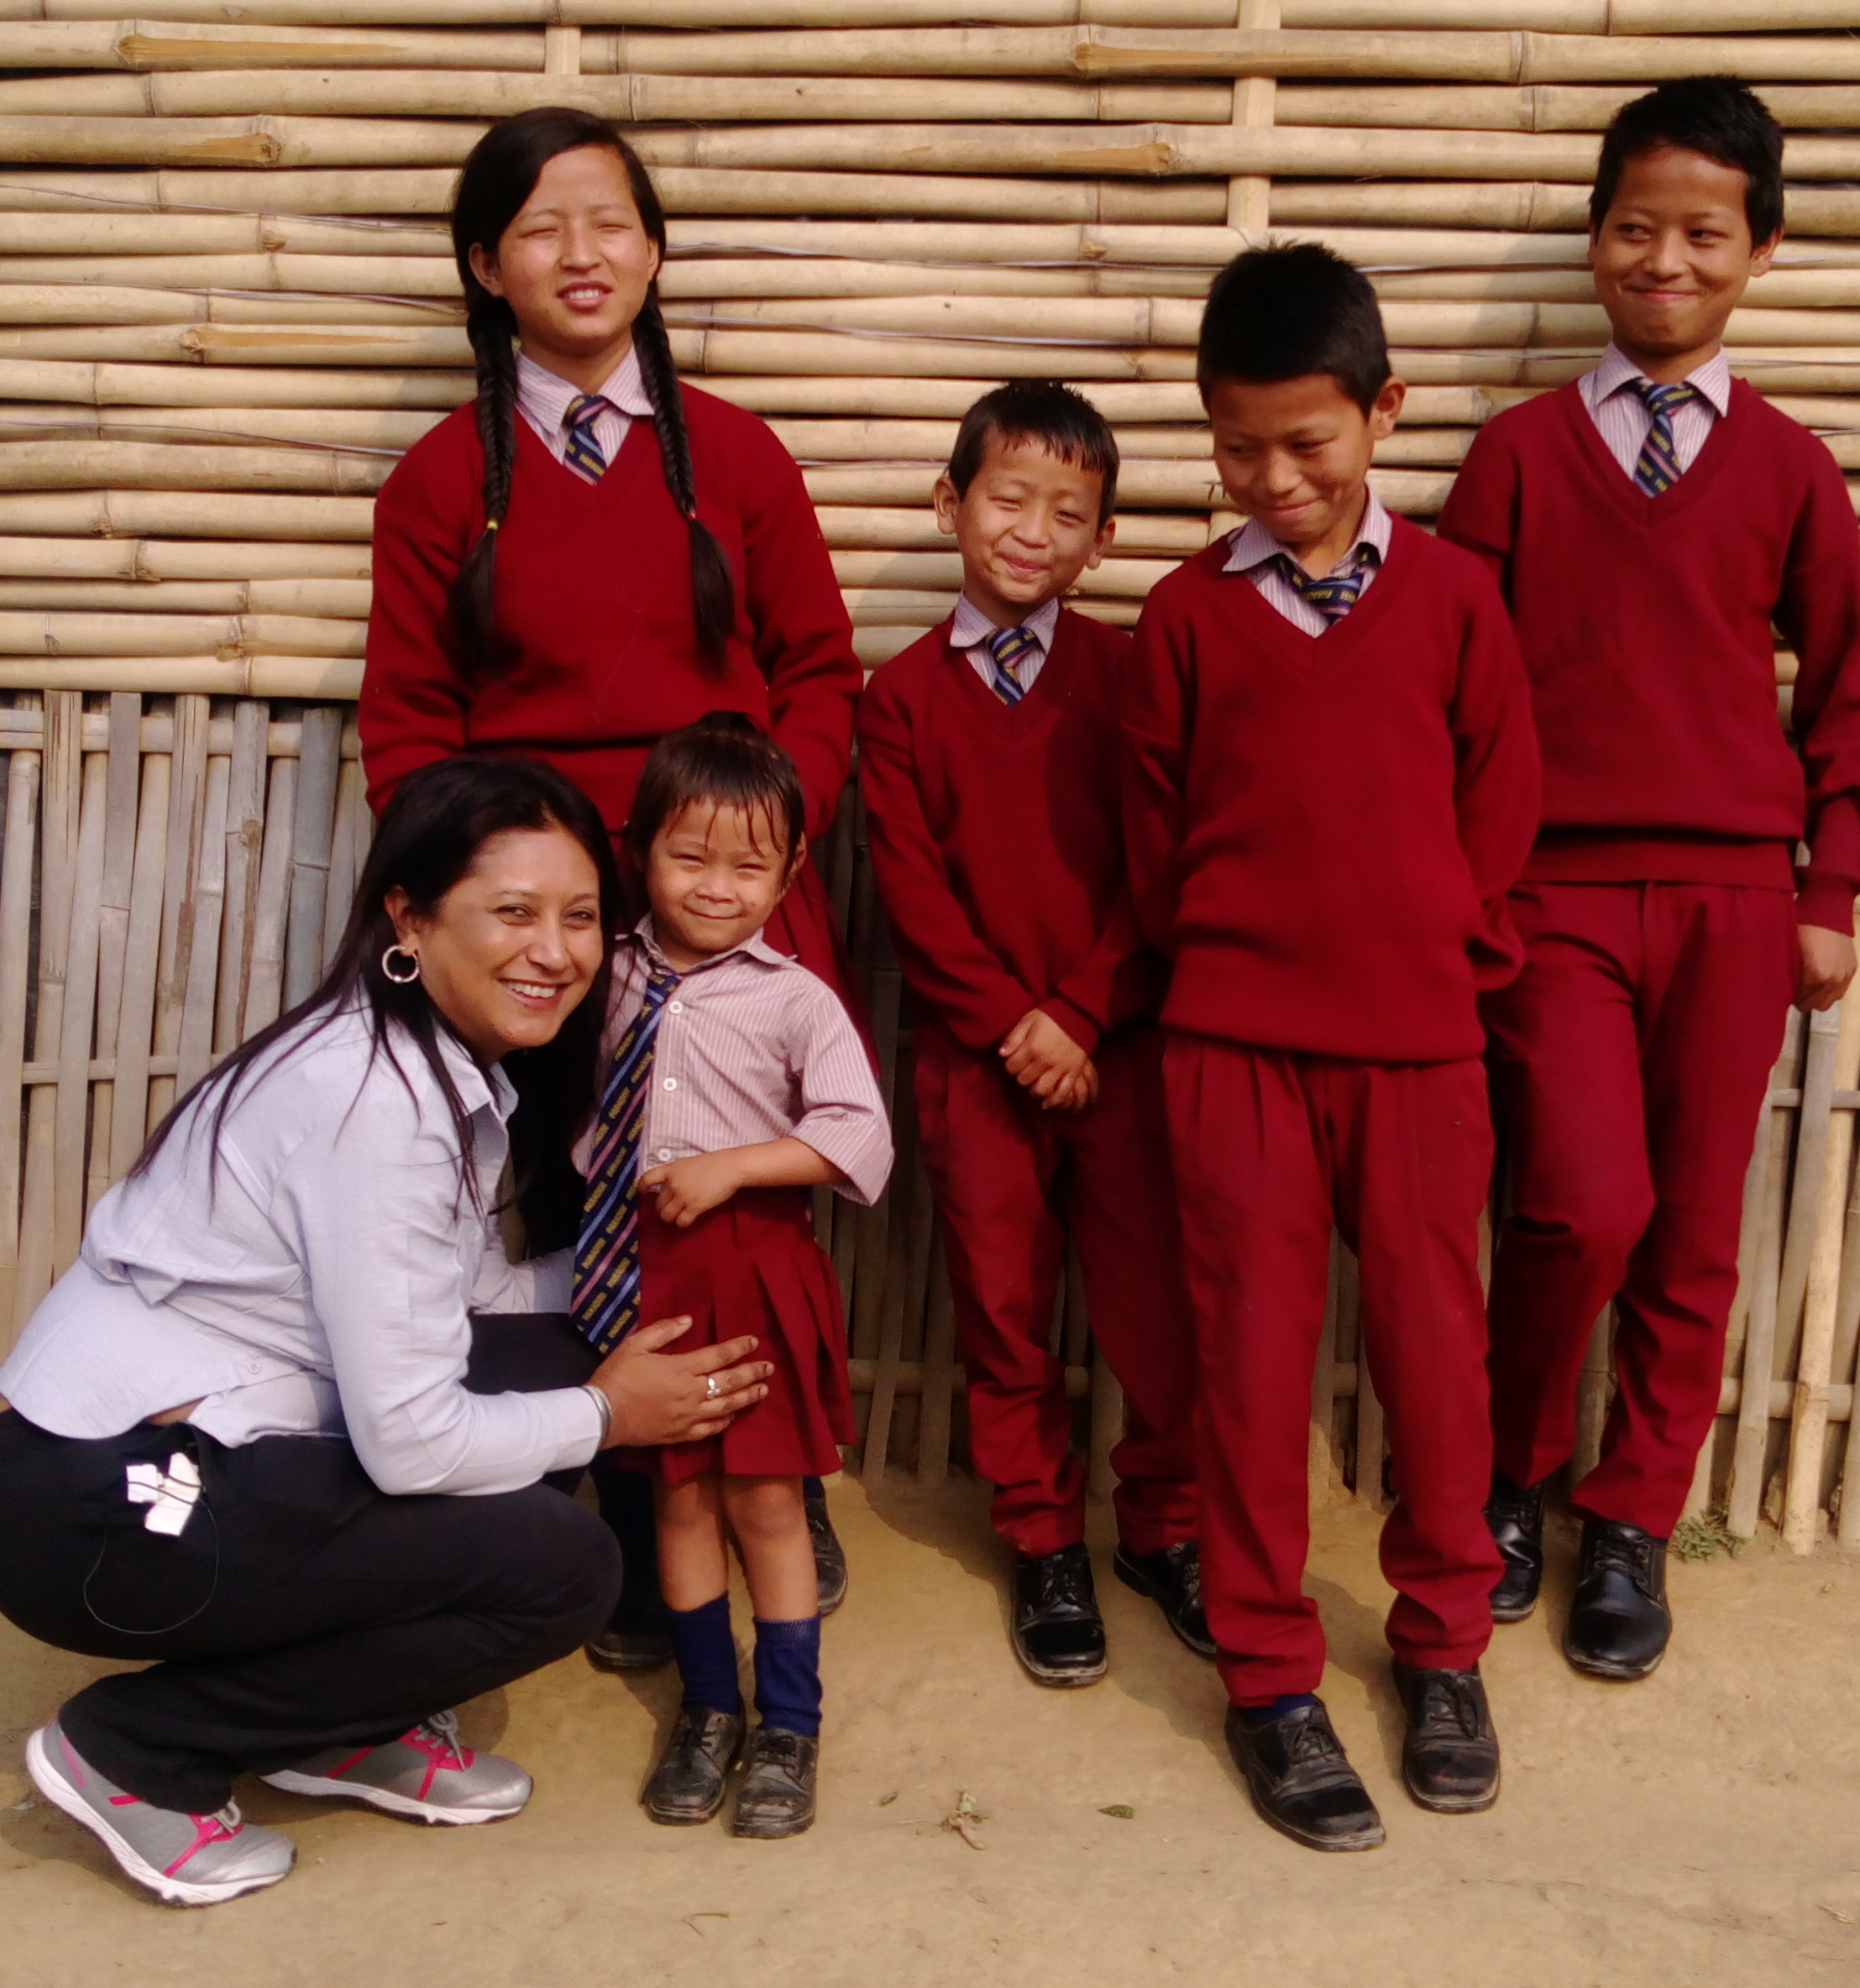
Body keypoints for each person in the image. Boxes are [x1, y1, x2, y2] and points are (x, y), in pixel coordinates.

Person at [0, 756, 777, 1907]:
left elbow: (465, 1302)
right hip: (94, 1508)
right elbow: (411, 1444)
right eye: (512, 913)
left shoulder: (423, 1065)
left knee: (556, 1359)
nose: (557, 950)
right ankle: (139, 1746)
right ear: (410, 916)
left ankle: (337, 1722)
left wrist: (639, 1281)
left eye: (582, 916)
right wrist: (610, 1412)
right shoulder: (375, 1103)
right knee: (564, 1570)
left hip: (175, 1453)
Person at [356, 104, 861, 1658]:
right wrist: (502, 910)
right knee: (575, 1199)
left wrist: (749, 864)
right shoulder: (443, 482)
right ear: (483, 266)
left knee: (738, 1222)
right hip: (545, 936)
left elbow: (823, 675)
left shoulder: (741, 458)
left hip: (719, 916)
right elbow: (407, 732)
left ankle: (764, 1471)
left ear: (654, 250)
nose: (583, 253)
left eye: (613, 221)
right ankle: (638, 1489)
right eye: (541, 228)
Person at [1438, 77, 1860, 1684]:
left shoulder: (1788, 469)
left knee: (1692, 1223)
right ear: (1593, 240)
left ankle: (1633, 1519)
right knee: (1576, 1203)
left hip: (1734, 906)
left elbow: (1844, 687)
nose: (1666, 257)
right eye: (1637, 226)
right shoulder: (1511, 459)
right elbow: (1453, 693)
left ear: (1759, 250)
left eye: (1705, 230)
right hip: (1552, 901)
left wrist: (1831, 886)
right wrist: (1467, 890)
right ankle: (1508, 1479)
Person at [1121, 245, 1540, 1852]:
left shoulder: (1455, 605)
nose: (1276, 478)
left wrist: (1447, 963)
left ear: (1385, 413)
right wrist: (1223, 970)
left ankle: (1442, 1644)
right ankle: (1270, 1675)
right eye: (1239, 448)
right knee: (1247, 1364)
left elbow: (1502, 817)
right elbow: (1153, 841)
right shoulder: (1182, 619)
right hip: (1231, 1052)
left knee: (1441, 1362)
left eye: (1310, 441)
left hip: (1420, 1055)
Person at [857, 381, 1209, 1687]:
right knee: (1004, 1311)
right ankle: (1043, 1537)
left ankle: (1165, 1528)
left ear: (1103, 543)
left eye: (1070, 515)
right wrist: (1013, 1023)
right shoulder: (898, 700)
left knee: (1157, 1309)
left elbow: (1159, 866)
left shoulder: (1128, 677)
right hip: (977, 1064)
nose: (1033, 533)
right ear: (953, 504)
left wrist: (1081, 1011)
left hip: (1119, 1050)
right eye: (1008, 499)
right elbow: (912, 890)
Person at [572, 716, 892, 1839]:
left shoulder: (795, 998)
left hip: (753, 1277)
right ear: (640, 849)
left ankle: (789, 1724)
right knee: (679, 1497)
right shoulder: (601, 977)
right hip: (643, 1283)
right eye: (688, 856)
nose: (716, 887)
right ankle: (710, 1709)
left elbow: (861, 1138)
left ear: (792, 871)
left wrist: (733, 1168)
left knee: (765, 1500)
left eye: (749, 865)